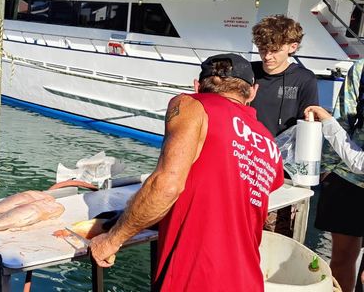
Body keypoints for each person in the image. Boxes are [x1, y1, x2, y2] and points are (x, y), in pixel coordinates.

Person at [90, 54, 284, 291]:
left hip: (195, 278)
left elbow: (167, 185)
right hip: (248, 281)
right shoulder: (269, 142)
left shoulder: (191, 104)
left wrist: (113, 240)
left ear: (196, 86)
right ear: (252, 92)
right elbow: (228, 193)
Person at [249, 14, 318, 237]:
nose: (267, 57)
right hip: (246, 164)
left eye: (275, 50)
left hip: (282, 173)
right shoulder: (248, 73)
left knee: (275, 235)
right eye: (262, 50)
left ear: (292, 47)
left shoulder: (305, 79)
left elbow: (308, 127)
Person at [309, 58, 364, 292]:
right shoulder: (361, 67)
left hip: (354, 164)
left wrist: (327, 122)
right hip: (347, 179)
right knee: (341, 258)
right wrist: (328, 165)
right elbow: (345, 114)